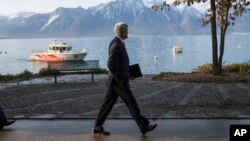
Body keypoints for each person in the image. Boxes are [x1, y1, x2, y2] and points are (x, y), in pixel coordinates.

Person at [93, 22, 157, 135]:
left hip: (114, 81)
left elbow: (119, 63)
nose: (128, 32)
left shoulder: (117, 42)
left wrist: (129, 73)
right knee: (132, 103)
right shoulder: (117, 45)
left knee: (107, 105)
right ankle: (144, 126)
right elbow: (111, 64)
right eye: (127, 30)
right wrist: (122, 78)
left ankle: (97, 127)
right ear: (122, 32)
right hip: (119, 82)